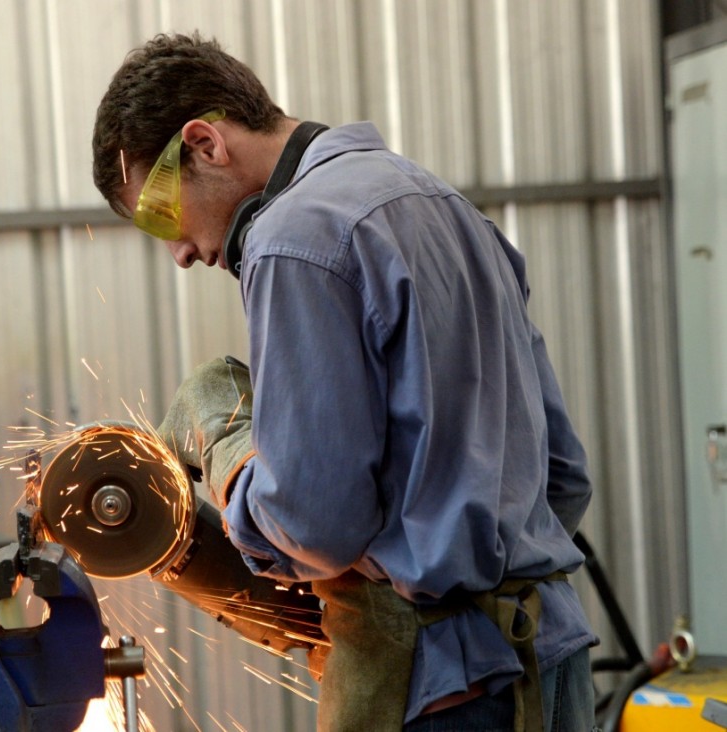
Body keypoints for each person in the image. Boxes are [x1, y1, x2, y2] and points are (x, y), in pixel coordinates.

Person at [91, 32, 598, 731]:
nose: (178, 252)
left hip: (452, 696)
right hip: (553, 662)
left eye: (158, 214)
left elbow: (314, 526)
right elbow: (563, 475)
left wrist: (229, 451)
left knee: (216, 396)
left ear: (205, 143)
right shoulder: (441, 203)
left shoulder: (292, 239)